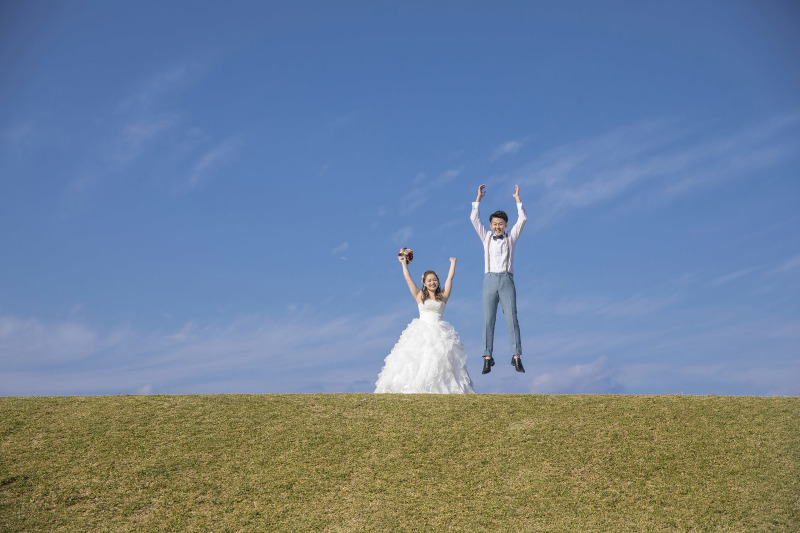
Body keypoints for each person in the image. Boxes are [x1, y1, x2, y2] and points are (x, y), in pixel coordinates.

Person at [374, 256, 475, 394]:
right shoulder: (420, 295)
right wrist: (404, 263)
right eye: (429, 280)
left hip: (440, 332)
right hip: (421, 331)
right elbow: (408, 279)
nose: (432, 282)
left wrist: (453, 263)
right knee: (419, 360)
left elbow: (450, 279)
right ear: (424, 283)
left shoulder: (443, 296)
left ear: (438, 281)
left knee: (441, 362)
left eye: (434, 280)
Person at [470, 184, 528, 375]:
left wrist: (517, 200)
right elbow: (473, 218)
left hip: (506, 280)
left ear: (505, 225)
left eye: (500, 224)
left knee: (512, 318)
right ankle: (487, 357)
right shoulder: (486, 236)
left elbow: (523, 219)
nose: (497, 226)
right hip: (489, 280)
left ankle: (516, 356)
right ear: (491, 225)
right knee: (488, 319)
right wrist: (478, 199)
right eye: (494, 223)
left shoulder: (511, 237)